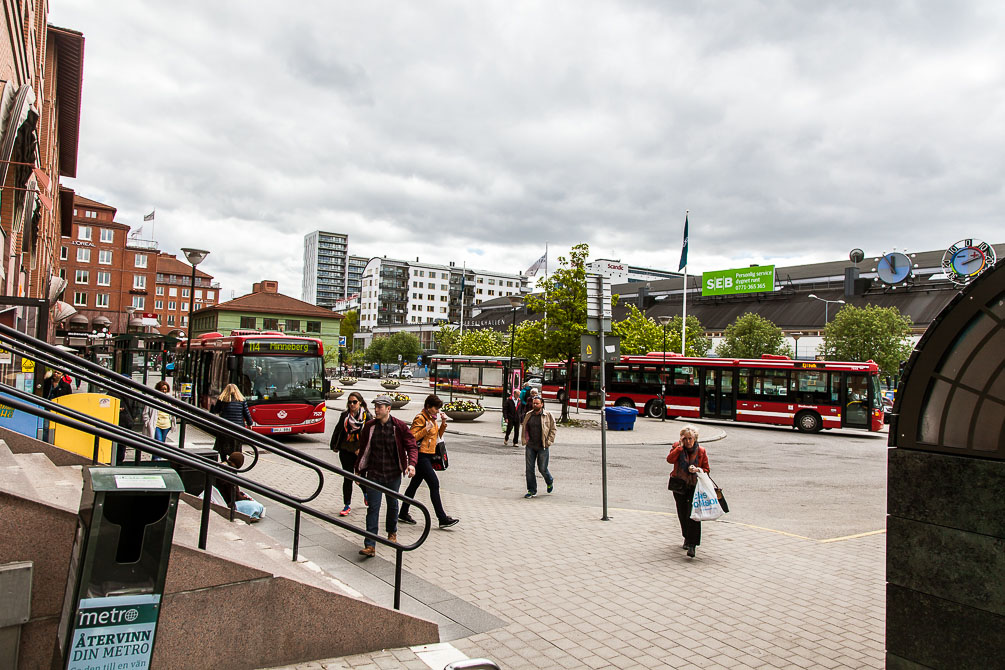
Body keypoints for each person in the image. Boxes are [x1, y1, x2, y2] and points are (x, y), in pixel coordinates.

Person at [354, 395, 418, 558]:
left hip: (393, 473)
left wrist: (411, 464)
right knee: (373, 508)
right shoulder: (369, 426)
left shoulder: (399, 426)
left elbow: (412, 446)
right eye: (375, 406)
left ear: (388, 409)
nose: (376, 410)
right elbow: (363, 450)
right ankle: (370, 545)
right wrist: (358, 470)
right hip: (374, 473)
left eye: (380, 407)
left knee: (392, 504)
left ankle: (392, 532)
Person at [398, 395, 459, 529]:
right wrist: (425, 429)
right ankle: (442, 518)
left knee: (413, 486)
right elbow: (411, 437)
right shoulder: (421, 418)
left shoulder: (431, 418)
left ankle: (402, 512)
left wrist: (443, 423)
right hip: (420, 456)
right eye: (436, 408)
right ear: (428, 407)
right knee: (434, 483)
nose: (437, 411)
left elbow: (437, 436)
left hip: (427, 455)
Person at [666, 425, 710, 559]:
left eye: (691, 439)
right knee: (682, 513)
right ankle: (686, 536)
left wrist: (697, 470)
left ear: (695, 439)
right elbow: (669, 460)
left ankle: (692, 544)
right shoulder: (677, 447)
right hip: (679, 485)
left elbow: (707, 469)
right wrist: (679, 447)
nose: (688, 442)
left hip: (694, 486)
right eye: (686, 439)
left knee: (693, 514)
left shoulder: (701, 451)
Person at [329, 391, 371, 516]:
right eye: (350, 402)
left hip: (359, 453)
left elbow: (370, 436)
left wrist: (362, 450)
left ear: (360, 403)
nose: (352, 404)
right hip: (346, 450)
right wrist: (334, 446)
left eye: (354, 402)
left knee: (361, 478)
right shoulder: (345, 416)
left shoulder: (366, 417)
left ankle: (366, 493)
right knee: (347, 478)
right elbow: (338, 431)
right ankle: (347, 505)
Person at [520, 395, 556, 498]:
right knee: (529, 469)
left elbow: (553, 429)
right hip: (530, 446)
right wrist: (525, 440)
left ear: (542, 404)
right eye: (533, 403)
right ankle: (531, 490)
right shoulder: (528, 415)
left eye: (537, 403)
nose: (534, 405)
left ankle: (549, 480)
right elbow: (524, 427)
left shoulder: (548, 415)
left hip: (543, 446)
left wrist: (549, 441)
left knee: (542, 468)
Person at [217, 451, 266, 519]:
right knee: (259, 506)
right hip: (227, 503)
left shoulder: (220, 466)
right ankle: (252, 516)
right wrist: (246, 499)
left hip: (221, 497)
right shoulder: (230, 474)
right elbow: (235, 497)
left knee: (245, 495)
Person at [211, 383, 253, 459]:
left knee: (222, 448)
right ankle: (233, 466)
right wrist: (250, 424)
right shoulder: (241, 400)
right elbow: (246, 414)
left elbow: (215, 410)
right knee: (235, 449)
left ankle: (224, 463)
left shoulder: (222, 399)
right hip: (238, 429)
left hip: (224, 428)